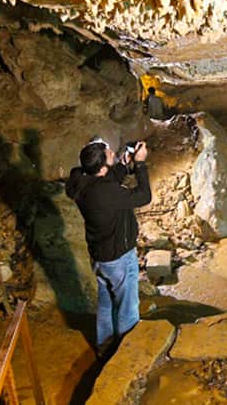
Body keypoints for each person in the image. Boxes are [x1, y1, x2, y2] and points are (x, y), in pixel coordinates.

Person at [65, 137, 151, 356]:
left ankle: (104, 347)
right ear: (102, 168)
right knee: (127, 306)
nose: (113, 151)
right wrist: (140, 164)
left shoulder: (81, 181)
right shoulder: (105, 193)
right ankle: (126, 356)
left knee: (106, 303)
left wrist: (123, 164)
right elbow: (144, 196)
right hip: (119, 258)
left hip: (99, 256)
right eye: (110, 153)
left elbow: (107, 180)